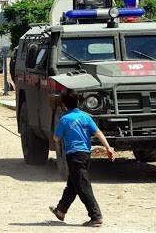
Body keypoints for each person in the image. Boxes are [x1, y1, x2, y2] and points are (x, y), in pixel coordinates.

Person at [50, 88, 116, 227]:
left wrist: (60, 135)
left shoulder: (65, 119)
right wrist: (108, 148)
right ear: (78, 101)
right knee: (73, 183)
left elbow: (56, 138)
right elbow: (97, 132)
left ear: (63, 104)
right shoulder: (86, 117)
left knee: (83, 186)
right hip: (86, 155)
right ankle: (61, 210)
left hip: (74, 156)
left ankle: (96, 216)